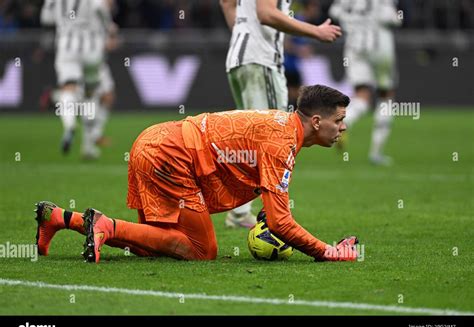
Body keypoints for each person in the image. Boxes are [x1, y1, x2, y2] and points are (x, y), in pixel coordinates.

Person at [35, 85, 358, 263]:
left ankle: (62, 218)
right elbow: (279, 222)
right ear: (316, 121)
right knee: (202, 251)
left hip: (155, 140)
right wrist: (327, 251)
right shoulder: (282, 142)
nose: (343, 128)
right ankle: (105, 224)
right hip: (171, 155)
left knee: (156, 247)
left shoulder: (281, 126)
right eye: (340, 120)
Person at [219, 0, 342, 228]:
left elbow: (227, 3)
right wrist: (316, 31)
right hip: (260, 61)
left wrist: (243, 33)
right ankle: (272, 214)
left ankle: (241, 212)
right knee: (277, 136)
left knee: (249, 141)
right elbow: (266, 14)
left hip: (240, 60)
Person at [329, 0, 402, 165]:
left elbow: (334, 12)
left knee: (361, 96)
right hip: (380, 45)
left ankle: (344, 121)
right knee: (386, 95)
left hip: (353, 46)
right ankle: (376, 153)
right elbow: (393, 18)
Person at [40, 0, 114, 159]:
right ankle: (88, 146)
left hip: (66, 46)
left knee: (69, 88)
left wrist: (66, 21)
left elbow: (46, 18)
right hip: (92, 49)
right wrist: (110, 28)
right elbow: (100, 8)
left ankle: (70, 125)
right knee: (90, 95)